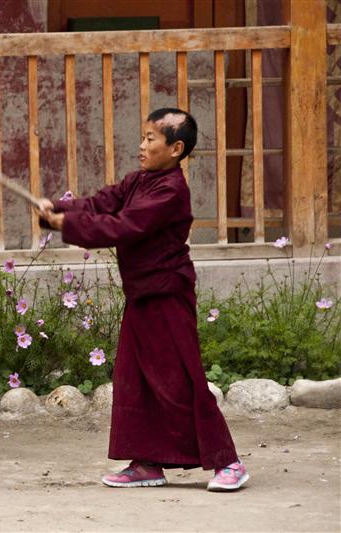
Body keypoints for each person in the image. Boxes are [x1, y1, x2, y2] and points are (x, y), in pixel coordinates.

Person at [37, 108, 249, 492]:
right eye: (144, 136)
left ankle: (227, 461)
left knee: (181, 380)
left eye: (151, 139)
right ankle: (147, 462)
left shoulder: (170, 190)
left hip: (167, 293)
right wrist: (60, 209)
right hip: (141, 295)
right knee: (136, 379)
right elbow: (102, 204)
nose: (142, 145)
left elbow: (125, 226)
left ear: (176, 149)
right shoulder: (138, 181)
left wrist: (66, 226)